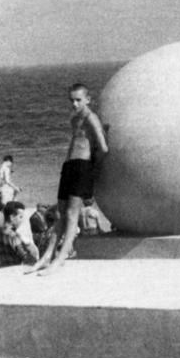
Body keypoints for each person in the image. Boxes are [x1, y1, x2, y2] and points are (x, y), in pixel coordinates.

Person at [27, 83, 108, 275]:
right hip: (70, 166)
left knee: (72, 215)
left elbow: (103, 147)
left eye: (78, 100)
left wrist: (93, 170)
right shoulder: (74, 119)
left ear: (88, 99)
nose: (74, 104)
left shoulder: (91, 118)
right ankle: (47, 256)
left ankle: (61, 258)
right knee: (60, 214)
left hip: (82, 166)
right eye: (71, 100)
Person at [0, 201, 38, 269]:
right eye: (20, 217)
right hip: (13, 271)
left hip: (1, 270)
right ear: (12, 217)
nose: (22, 220)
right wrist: (32, 249)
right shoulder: (14, 236)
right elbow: (27, 258)